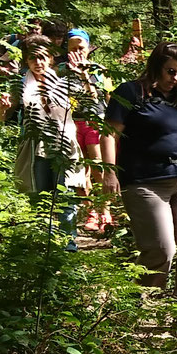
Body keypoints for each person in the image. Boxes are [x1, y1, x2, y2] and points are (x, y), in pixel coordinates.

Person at [101, 43, 177, 295]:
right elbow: (110, 134)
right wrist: (109, 172)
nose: (175, 79)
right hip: (144, 181)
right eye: (170, 72)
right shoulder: (131, 92)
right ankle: (147, 307)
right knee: (161, 249)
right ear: (156, 66)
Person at [3, 34, 85, 249]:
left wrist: (80, 73)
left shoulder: (62, 79)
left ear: (50, 58)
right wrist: (3, 107)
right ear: (26, 61)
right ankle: (44, 246)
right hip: (34, 147)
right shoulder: (20, 84)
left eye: (42, 58)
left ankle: (68, 246)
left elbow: (84, 95)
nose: (38, 63)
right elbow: (2, 117)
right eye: (32, 59)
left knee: (65, 195)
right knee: (39, 198)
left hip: (63, 144)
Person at [59, 29, 114, 233]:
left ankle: (105, 211)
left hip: (95, 122)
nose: (77, 52)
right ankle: (90, 211)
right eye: (72, 48)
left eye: (81, 48)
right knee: (80, 171)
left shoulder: (98, 70)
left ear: (88, 48)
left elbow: (100, 98)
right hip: (71, 124)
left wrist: (84, 75)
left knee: (99, 168)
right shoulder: (60, 71)